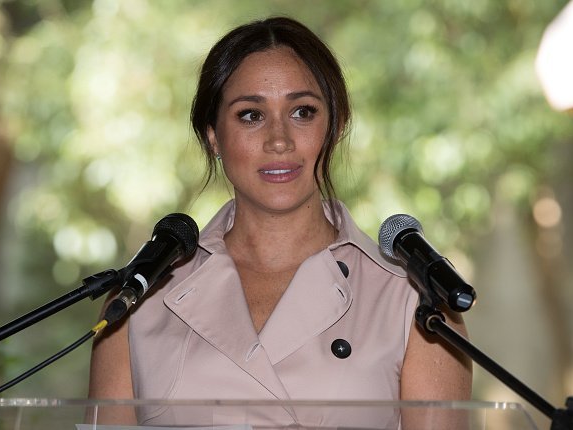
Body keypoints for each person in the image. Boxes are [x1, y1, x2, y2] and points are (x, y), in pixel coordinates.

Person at [88, 16, 472, 428]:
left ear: (335, 128)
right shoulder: (135, 301)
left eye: (303, 112)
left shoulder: (416, 302)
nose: (279, 140)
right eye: (251, 115)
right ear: (213, 136)